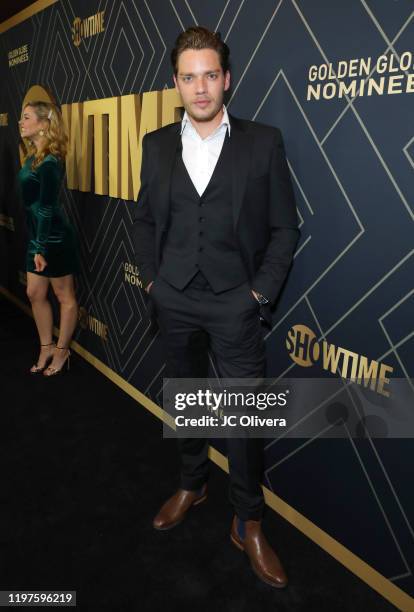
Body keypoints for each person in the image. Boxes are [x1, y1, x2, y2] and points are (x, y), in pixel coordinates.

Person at [133, 27, 299, 588]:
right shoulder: (155, 145)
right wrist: (154, 282)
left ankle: (248, 519)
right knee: (186, 395)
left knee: (244, 416)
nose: (200, 88)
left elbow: (284, 228)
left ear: (226, 79)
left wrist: (259, 294)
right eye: (188, 76)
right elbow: (146, 220)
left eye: (210, 75)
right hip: (174, 296)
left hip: (235, 301)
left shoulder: (263, 142)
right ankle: (191, 481)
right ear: (175, 82)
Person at [18, 101, 79, 376]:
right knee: (34, 292)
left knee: (63, 294)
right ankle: (46, 346)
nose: (21, 122)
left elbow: (46, 208)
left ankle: (62, 351)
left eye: (26, 117)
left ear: (43, 124)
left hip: (53, 237)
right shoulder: (33, 157)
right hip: (37, 236)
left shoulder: (51, 160)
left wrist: (40, 247)